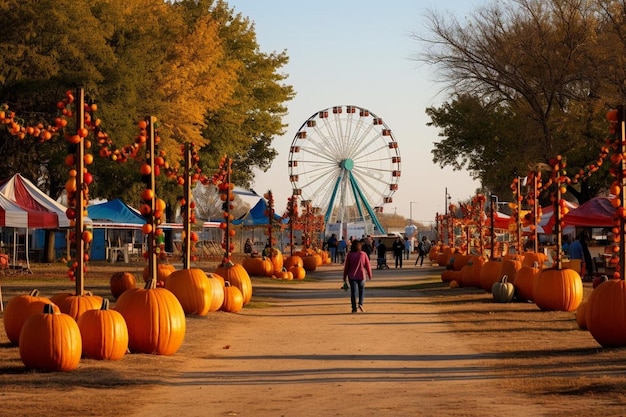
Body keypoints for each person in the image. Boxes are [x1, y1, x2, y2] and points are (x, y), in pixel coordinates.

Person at [343, 239, 373, 313]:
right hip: (361, 275)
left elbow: (346, 266)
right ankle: (360, 303)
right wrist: (370, 274)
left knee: (353, 292)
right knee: (361, 290)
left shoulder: (350, 255)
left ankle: (354, 308)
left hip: (352, 276)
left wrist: (344, 276)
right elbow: (367, 265)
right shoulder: (363, 254)